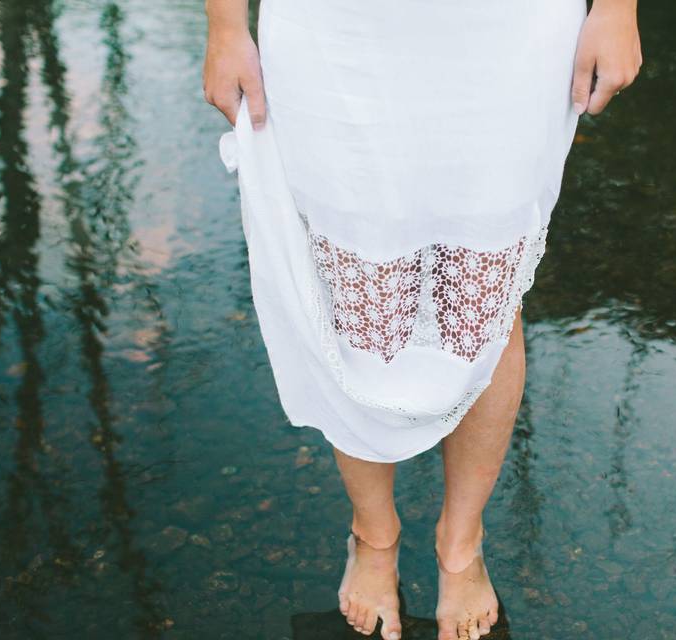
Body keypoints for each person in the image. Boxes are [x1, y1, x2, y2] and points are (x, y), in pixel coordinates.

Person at [202, 1, 641, 638]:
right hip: (337, 33)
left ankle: (461, 542)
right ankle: (373, 535)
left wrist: (618, 7)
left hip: (509, 35)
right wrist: (223, 23)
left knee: (484, 292)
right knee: (357, 297)